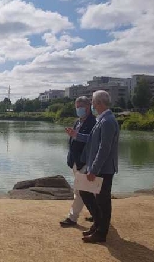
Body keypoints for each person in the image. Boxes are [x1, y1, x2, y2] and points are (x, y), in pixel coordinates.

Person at [78, 90, 119, 243]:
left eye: (94, 102)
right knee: (86, 192)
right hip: (99, 167)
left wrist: (93, 169)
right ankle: (97, 224)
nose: (92, 105)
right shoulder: (102, 119)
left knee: (103, 200)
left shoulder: (107, 121)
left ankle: (101, 233)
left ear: (100, 103)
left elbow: (104, 148)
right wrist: (77, 135)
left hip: (104, 169)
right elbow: (93, 139)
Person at [60, 96, 96, 227]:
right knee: (88, 191)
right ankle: (97, 214)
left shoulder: (94, 122)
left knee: (79, 191)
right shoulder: (78, 121)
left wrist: (76, 135)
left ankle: (72, 217)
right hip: (75, 162)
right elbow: (73, 141)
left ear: (88, 107)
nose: (78, 109)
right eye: (77, 107)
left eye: (80, 107)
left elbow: (93, 140)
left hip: (85, 162)